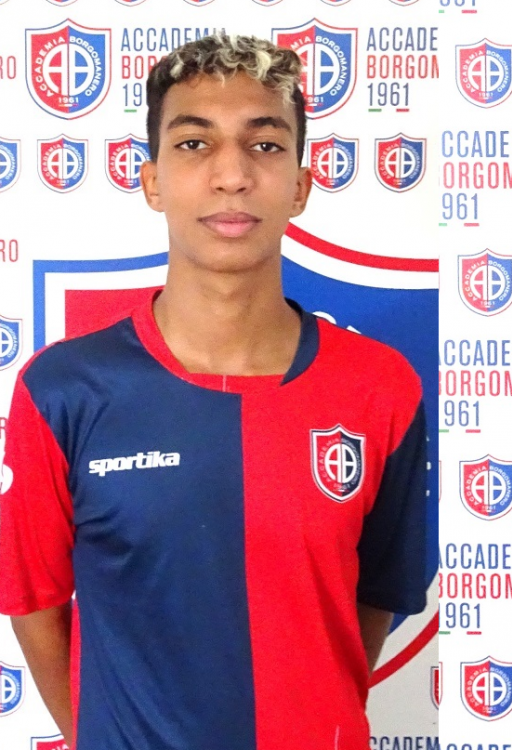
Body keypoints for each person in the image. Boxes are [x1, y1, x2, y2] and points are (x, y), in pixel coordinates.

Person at [0, 34, 428, 750]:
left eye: (265, 145)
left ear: (301, 184)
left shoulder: (380, 388)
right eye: (195, 144)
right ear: (152, 181)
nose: (232, 175)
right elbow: (35, 605)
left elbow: (375, 596)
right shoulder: (63, 390)